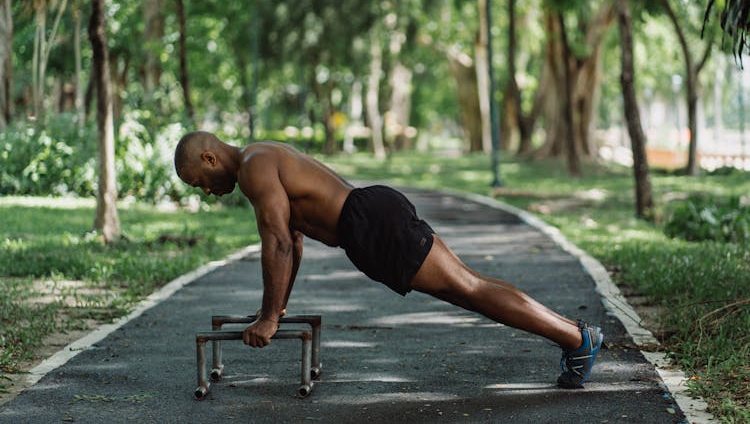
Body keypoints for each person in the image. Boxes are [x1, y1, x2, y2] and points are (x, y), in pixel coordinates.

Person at [174, 131, 603, 389]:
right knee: (470, 286)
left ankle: (575, 339)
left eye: (201, 183)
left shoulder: (253, 168)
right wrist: (276, 308)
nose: (207, 192)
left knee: (470, 289)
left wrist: (268, 320)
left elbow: (279, 244)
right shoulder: (259, 156)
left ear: (209, 158)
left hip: (369, 223)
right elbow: (295, 241)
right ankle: (575, 337)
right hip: (369, 220)